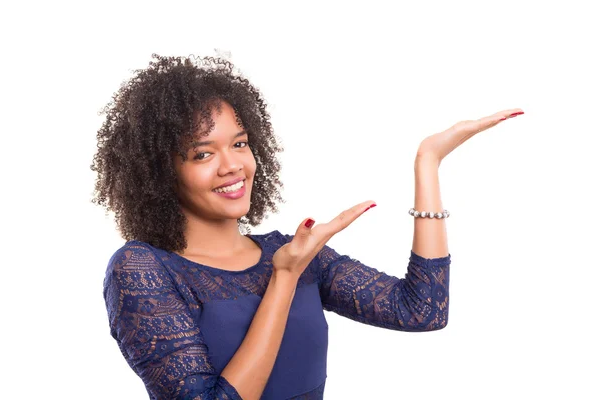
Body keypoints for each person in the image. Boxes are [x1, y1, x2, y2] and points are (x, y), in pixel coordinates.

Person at [91, 54, 523, 400]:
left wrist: (428, 162)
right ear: (158, 172)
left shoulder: (292, 251)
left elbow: (422, 311)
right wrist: (283, 278)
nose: (232, 166)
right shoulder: (143, 269)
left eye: (239, 143)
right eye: (202, 154)